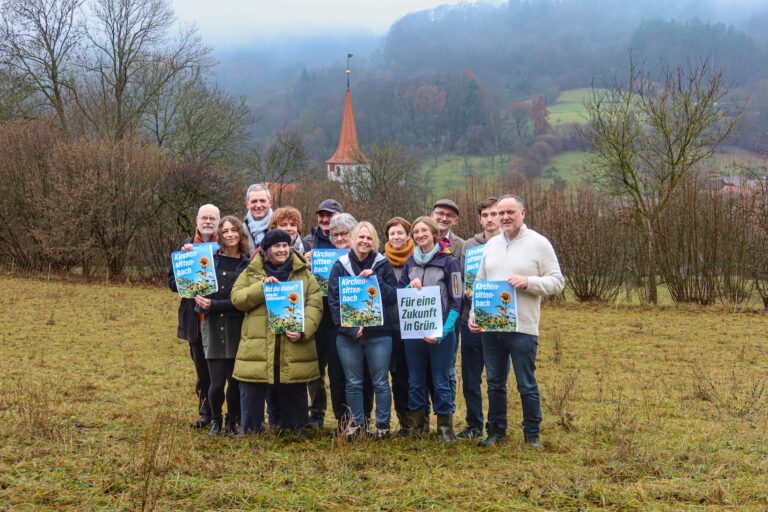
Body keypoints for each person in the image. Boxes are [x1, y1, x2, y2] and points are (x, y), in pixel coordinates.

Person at [469, 194, 564, 448]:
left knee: (525, 383)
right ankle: (497, 432)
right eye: (501, 213)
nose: (505, 217)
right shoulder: (491, 245)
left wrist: (529, 282)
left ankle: (532, 434)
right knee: (494, 382)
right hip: (492, 327)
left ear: (523, 212)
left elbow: (557, 281)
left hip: (523, 327)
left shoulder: (539, 244)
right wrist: (473, 314)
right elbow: (480, 283)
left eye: (510, 212)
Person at [231, 229, 323, 433]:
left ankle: (293, 428)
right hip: (258, 344)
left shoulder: (305, 274)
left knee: (293, 384)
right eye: (276, 246)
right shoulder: (251, 272)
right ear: (267, 250)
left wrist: (302, 330)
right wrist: (261, 288)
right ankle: (252, 429)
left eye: (285, 246)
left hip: (293, 343)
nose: (282, 250)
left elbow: (314, 306)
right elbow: (237, 298)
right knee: (253, 386)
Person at [327, 222, 399, 439]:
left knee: (380, 382)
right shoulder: (340, 265)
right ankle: (357, 424)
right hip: (349, 336)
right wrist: (347, 329)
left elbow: (393, 296)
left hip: (379, 334)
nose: (365, 242)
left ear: (374, 241)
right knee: (354, 382)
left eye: (369, 238)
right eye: (361, 237)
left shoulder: (382, 264)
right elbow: (333, 302)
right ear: (353, 238)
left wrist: (375, 281)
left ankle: (383, 426)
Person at [399, 216, 462, 442]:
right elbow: (401, 294)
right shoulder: (410, 263)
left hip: (442, 334)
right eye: (415, 231)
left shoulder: (449, 261)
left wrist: (444, 332)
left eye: (424, 230)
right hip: (414, 333)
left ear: (434, 233)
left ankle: (445, 430)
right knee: (415, 380)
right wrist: (409, 285)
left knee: (441, 380)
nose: (419, 234)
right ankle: (417, 428)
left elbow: (457, 301)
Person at [191, 216, 251, 436]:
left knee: (234, 383)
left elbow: (245, 300)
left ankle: (231, 421)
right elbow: (192, 282)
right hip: (214, 328)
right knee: (216, 384)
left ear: (240, 234)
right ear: (220, 235)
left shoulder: (247, 264)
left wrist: (216, 305)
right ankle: (215, 419)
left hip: (237, 327)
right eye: (225, 231)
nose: (229, 235)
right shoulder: (209, 261)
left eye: (234, 230)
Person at [168, 204, 219, 429]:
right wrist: (186, 277)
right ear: (197, 220)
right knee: (202, 370)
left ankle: (228, 414)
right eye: (204, 218)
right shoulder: (185, 247)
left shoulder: (228, 245)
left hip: (221, 318)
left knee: (222, 372)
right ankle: (205, 413)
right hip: (195, 321)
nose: (208, 221)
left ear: (218, 221)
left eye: (212, 218)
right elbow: (172, 282)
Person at [455, 197, 500, 439]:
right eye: (486, 215)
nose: (490, 219)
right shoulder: (469, 246)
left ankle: (496, 425)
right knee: (471, 376)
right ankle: (473, 425)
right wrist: (464, 291)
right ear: (479, 218)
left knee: (495, 377)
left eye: (494, 214)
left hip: (498, 319)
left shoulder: (508, 243)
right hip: (469, 318)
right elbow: (460, 277)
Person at [302, 198, 343, 428]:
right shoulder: (308, 243)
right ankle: (316, 414)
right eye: (322, 215)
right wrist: (304, 261)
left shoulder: (347, 241)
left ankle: (342, 416)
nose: (325, 220)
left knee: (338, 370)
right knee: (314, 368)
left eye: (330, 215)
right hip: (315, 312)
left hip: (337, 315)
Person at [430, 198, 465, 408]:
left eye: (449, 215)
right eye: (440, 213)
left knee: (448, 366)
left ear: (455, 221)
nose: (444, 218)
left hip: (451, 316)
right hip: (424, 315)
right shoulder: (419, 239)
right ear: (432, 215)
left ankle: (447, 413)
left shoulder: (461, 246)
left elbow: (460, 285)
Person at [383, 217, 414, 435]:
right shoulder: (379, 261)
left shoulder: (418, 258)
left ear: (408, 235)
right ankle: (404, 421)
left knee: (417, 375)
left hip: (414, 326)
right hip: (390, 328)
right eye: (392, 233)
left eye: (400, 233)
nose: (396, 237)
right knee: (398, 377)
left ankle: (420, 421)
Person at [243, 184, 273, 252]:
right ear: (247, 204)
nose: (258, 205)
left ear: (270, 203)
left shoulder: (280, 226)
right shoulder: (240, 231)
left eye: (262, 201)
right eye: (254, 201)